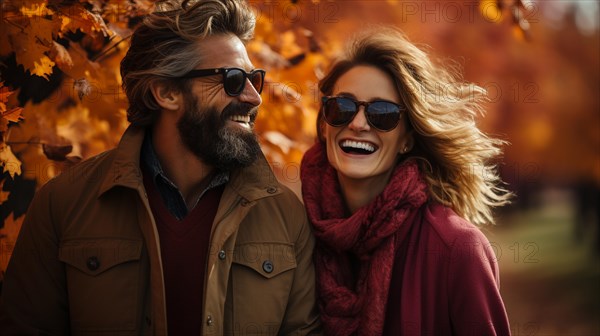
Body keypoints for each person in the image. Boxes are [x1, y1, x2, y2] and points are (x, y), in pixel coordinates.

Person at [0, 0, 320, 335]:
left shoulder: (287, 218)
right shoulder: (63, 205)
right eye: (234, 80)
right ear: (166, 92)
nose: (255, 97)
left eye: (255, 79)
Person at [300, 27, 512, 336]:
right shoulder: (294, 233)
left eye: (382, 114)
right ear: (324, 126)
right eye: (342, 107)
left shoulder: (457, 248)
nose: (358, 124)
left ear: (407, 140)